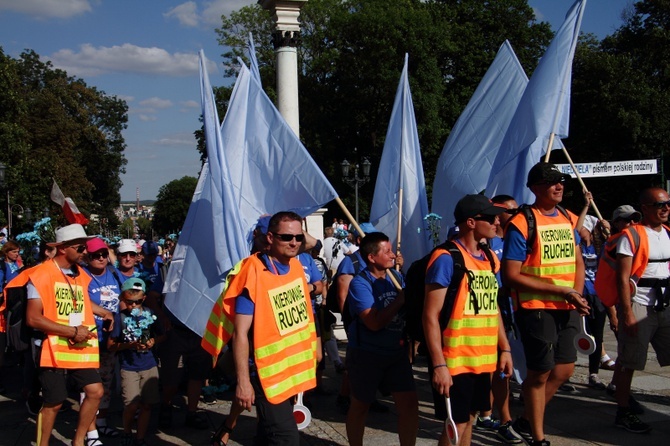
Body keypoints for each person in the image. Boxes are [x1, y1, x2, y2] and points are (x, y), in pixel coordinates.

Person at [502, 162, 588, 446]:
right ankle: (538, 437)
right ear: (535, 188)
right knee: (539, 373)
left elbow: (577, 260)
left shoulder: (566, 216)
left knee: (564, 370)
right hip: (536, 307)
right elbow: (511, 275)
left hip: (567, 305)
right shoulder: (521, 222)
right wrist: (561, 291)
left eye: (560, 181)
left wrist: (575, 293)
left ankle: (526, 418)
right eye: (552, 182)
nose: (559, 186)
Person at [423, 194, 512, 446]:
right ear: (471, 222)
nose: (497, 222)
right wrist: (439, 365)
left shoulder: (489, 258)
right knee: (456, 425)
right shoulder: (445, 258)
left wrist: (504, 348)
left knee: (469, 419)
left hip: (482, 359)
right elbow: (430, 315)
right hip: (454, 360)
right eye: (491, 218)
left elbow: (492, 308)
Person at [228, 211, 318, 444]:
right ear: (270, 238)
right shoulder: (254, 271)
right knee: (287, 439)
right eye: (286, 237)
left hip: (291, 373)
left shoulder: (297, 268)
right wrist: (243, 381)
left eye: (298, 237)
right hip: (265, 376)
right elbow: (240, 333)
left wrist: (314, 348)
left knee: (267, 437)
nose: (294, 242)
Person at [24, 224, 114, 446]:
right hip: (51, 346)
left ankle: (79, 440)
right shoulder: (40, 274)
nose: (86, 252)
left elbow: (79, 300)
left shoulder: (79, 274)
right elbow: (33, 318)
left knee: (95, 391)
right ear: (64, 249)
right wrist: (72, 331)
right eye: (81, 248)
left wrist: (102, 311)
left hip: (77, 345)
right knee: (54, 402)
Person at [345, 231, 417, 446]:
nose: (393, 255)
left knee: (409, 405)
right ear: (371, 257)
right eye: (386, 251)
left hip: (396, 353)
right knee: (360, 405)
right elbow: (373, 322)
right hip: (368, 354)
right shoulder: (360, 284)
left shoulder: (396, 277)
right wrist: (400, 301)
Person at [613, 187, 670, 433]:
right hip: (640, 305)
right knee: (630, 361)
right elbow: (622, 277)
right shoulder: (631, 236)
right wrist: (626, 312)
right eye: (660, 205)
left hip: (665, 305)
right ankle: (623, 411)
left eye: (668, 203)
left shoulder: (668, 233)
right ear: (645, 208)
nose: (666, 208)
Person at [108, 278, 165, 446]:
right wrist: (129, 345)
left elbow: (162, 335)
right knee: (131, 405)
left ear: (144, 299)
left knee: (147, 405)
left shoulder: (150, 315)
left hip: (149, 365)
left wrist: (154, 341)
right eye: (129, 302)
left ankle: (140, 437)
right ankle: (127, 431)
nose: (133, 306)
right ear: (123, 300)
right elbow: (111, 345)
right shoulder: (121, 318)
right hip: (129, 366)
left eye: (137, 302)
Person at [82, 237, 123, 439]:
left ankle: (102, 422)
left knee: (106, 383)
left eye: (103, 254)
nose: (100, 258)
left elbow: (125, 298)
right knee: (89, 386)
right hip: (89, 339)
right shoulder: (82, 275)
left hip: (110, 340)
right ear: (87, 257)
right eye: (95, 255)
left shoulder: (114, 274)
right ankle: (89, 432)